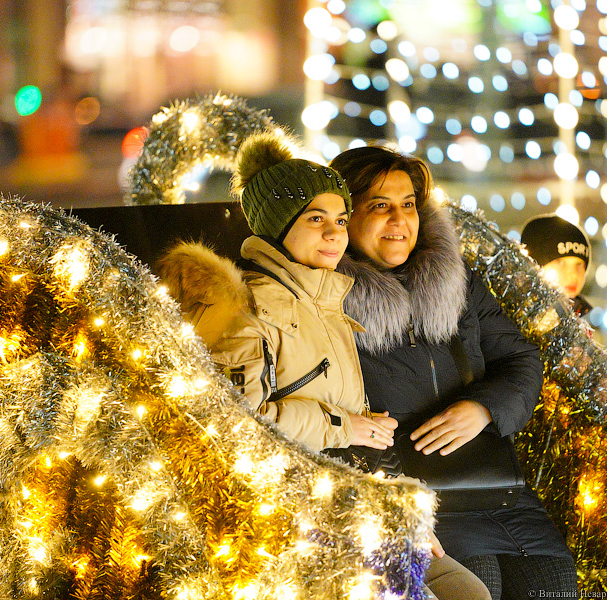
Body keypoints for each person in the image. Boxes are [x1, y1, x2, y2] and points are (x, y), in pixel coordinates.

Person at [158, 132, 491, 600]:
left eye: (339, 218)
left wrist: (400, 515)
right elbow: (234, 430)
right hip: (292, 517)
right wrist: (343, 426)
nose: (335, 232)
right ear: (278, 227)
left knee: (469, 593)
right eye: (317, 219)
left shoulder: (329, 303)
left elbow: (366, 434)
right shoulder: (244, 308)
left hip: (354, 503)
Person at [329, 145, 578, 600]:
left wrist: (482, 408)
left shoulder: (456, 283)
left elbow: (520, 360)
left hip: (493, 481)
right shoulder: (327, 299)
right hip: (411, 489)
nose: (399, 221)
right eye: (380, 206)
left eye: (408, 205)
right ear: (345, 216)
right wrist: (395, 512)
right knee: (480, 582)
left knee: (555, 584)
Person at [520, 214, 593, 318]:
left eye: (579, 264)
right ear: (534, 266)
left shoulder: (579, 321)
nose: (573, 274)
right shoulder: (514, 317)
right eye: (560, 262)